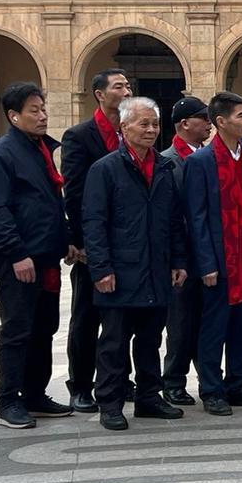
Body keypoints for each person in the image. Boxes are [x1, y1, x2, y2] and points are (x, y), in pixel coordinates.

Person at [82, 97, 187, 431]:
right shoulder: (105, 169)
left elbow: (173, 220)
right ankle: (110, 404)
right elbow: (94, 223)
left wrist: (178, 260)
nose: (151, 130)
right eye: (143, 124)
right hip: (120, 270)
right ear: (124, 127)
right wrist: (101, 269)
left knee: (150, 339)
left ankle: (149, 397)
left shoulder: (164, 167)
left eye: (155, 124)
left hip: (156, 268)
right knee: (113, 342)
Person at [0, 82, 76, 428]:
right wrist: (16, 253)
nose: (42, 116)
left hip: (46, 258)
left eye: (43, 109)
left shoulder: (39, 150)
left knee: (44, 328)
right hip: (19, 262)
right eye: (34, 110)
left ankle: (34, 395)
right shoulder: (1, 154)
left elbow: (49, 204)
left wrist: (66, 240)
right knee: (16, 330)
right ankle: (8, 400)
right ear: (13, 115)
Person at [185, 91, 242, 415]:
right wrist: (206, 263)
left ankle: (237, 382)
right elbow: (196, 217)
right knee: (215, 327)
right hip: (221, 260)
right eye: (240, 116)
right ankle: (211, 388)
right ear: (220, 122)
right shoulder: (200, 162)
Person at [60, 68, 132, 414]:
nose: (127, 90)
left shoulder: (132, 133)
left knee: (125, 316)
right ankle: (81, 384)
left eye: (128, 85)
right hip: (94, 242)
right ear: (100, 95)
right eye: (119, 86)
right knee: (87, 316)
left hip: (128, 242)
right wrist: (81, 241)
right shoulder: (79, 136)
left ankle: (119, 379)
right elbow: (73, 193)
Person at [160, 97, 210, 406]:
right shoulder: (168, 160)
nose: (208, 122)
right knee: (179, 323)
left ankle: (207, 376)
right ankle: (174, 380)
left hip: (205, 253)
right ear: (183, 125)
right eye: (202, 117)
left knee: (206, 321)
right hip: (181, 254)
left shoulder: (206, 156)